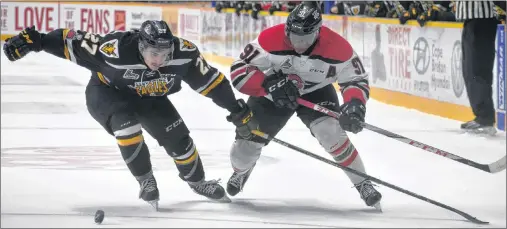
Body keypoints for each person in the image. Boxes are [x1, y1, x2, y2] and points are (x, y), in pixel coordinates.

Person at [3, 20, 257, 209]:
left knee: (179, 141)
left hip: (150, 96)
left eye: (165, 53)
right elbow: (71, 40)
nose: (159, 60)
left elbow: (212, 82)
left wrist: (235, 109)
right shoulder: (113, 50)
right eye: (154, 53)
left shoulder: (184, 54)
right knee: (127, 129)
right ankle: (146, 180)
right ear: (141, 45)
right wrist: (34, 41)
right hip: (108, 93)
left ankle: (197, 181)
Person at [224, 2, 382, 210]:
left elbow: (356, 80)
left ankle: (363, 182)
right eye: (294, 36)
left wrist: (354, 104)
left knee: (330, 132)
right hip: (274, 92)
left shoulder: (338, 47)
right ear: (287, 28)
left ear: (317, 32)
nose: (298, 43)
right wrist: (266, 85)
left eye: (305, 38)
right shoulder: (269, 39)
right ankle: (242, 171)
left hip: (316, 92)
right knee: (243, 153)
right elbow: (238, 70)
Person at [455, 1, 506, 135]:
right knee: (470, 69)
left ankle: (485, 118)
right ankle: (482, 116)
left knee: (477, 68)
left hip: (482, 18)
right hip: (472, 18)